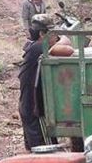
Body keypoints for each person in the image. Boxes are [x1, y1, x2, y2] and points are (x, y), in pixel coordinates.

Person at [19, 14, 63, 151]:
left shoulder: (32, 47)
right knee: (45, 152)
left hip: (29, 108)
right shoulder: (38, 48)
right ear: (42, 34)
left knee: (37, 150)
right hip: (35, 111)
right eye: (52, 34)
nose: (55, 37)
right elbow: (67, 49)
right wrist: (64, 38)